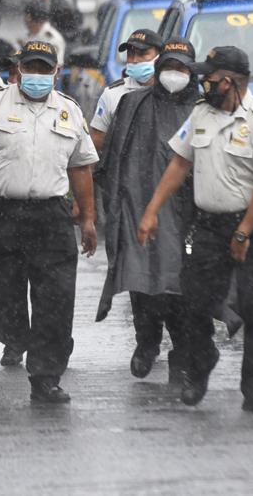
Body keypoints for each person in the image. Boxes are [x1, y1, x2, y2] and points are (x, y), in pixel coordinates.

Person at [138, 45, 253, 413]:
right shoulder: (201, 113)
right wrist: (151, 211)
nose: (204, 83)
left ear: (231, 81)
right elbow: (178, 164)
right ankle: (200, 365)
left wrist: (244, 232)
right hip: (209, 227)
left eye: (210, 78)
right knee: (194, 302)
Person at [0, 41, 99, 402]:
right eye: (29, 68)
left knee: (56, 299)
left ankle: (46, 376)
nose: (36, 75)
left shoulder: (69, 110)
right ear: (17, 70)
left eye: (43, 68)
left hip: (50, 217)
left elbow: (81, 167)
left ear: (56, 71)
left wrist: (90, 218)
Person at [96, 38, 198, 382]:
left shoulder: (203, 108)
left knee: (182, 286)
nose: (174, 75)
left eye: (182, 69)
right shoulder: (132, 104)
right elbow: (113, 158)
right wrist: (118, 206)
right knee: (142, 281)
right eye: (169, 68)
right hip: (140, 209)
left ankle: (184, 351)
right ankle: (147, 342)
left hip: (187, 215)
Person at [90, 29, 163, 154]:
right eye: (130, 54)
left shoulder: (170, 93)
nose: (135, 60)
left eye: (142, 54)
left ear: (159, 57)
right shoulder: (112, 94)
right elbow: (97, 144)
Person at [22, 0, 66, 65]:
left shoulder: (53, 38)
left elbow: (56, 67)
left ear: (29, 17)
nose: (24, 19)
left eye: (25, 15)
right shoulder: (28, 35)